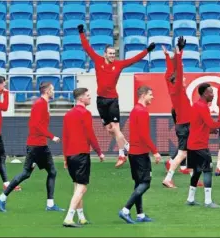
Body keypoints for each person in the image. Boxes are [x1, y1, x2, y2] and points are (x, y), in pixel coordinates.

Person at [78, 24, 156, 168]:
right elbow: (87, 48)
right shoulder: (98, 60)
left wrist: (147, 51)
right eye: (110, 53)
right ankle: (126, 145)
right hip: (100, 100)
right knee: (109, 130)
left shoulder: (119, 65)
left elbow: (134, 59)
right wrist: (81, 33)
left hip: (113, 100)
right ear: (105, 54)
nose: (113, 56)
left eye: (114, 54)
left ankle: (122, 154)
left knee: (116, 128)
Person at [0, 82, 64, 213]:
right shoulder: (40, 104)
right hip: (36, 146)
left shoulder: (43, 104)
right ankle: (1, 198)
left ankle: (50, 204)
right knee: (27, 173)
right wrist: (51, 136)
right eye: (53, 89)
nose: (54, 92)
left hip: (39, 145)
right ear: (47, 91)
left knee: (50, 172)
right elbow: (36, 125)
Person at [186, 83, 220, 207]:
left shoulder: (196, 106)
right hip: (200, 146)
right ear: (204, 93)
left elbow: (198, 124)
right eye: (210, 92)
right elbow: (212, 124)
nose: (213, 95)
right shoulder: (203, 107)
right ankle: (208, 201)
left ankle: (190, 199)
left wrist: (210, 130)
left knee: (197, 172)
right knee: (207, 171)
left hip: (192, 145)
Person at [161, 38, 202, 188]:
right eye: (182, 78)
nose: (184, 79)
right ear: (177, 80)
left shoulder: (171, 84)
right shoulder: (177, 88)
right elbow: (179, 69)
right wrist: (178, 52)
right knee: (183, 153)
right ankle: (168, 178)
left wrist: (168, 56)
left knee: (189, 152)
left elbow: (171, 70)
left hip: (184, 124)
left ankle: (194, 179)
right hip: (184, 125)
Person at [118, 86, 161, 224]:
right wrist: (155, 151)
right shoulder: (142, 112)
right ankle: (125, 210)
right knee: (145, 183)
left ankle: (140, 214)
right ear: (143, 95)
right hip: (140, 153)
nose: (152, 97)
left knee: (138, 183)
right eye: (150, 94)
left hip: (134, 153)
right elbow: (144, 135)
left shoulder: (135, 110)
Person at [62, 88, 105, 228]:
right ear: (81, 99)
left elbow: (65, 137)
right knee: (82, 188)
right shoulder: (85, 113)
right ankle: (69, 217)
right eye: (88, 96)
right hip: (81, 154)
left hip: (70, 155)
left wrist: (65, 158)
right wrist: (99, 151)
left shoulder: (68, 115)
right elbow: (90, 134)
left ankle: (81, 217)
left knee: (77, 186)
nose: (90, 98)